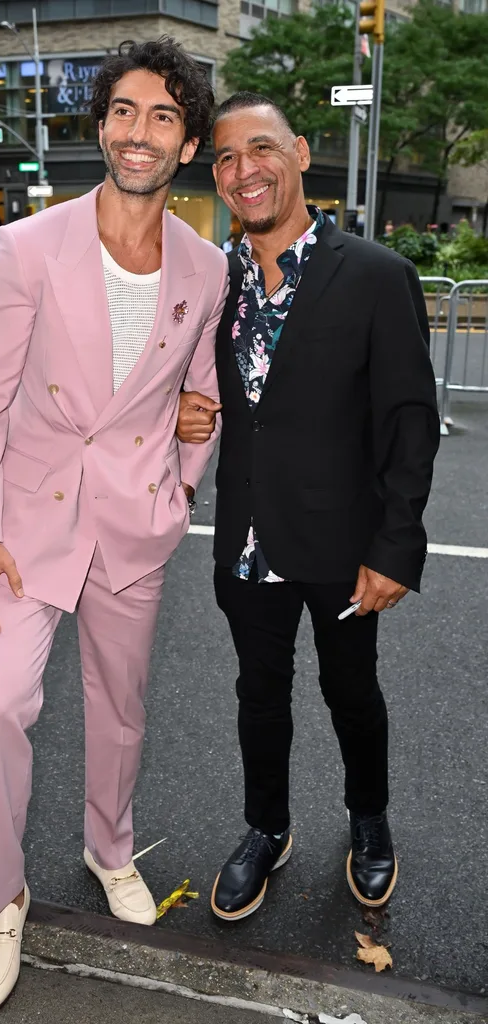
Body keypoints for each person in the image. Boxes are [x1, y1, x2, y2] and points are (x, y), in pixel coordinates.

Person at [0, 37, 226, 1011]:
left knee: (121, 711)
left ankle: (110, 846)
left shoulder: (207, 265)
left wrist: (187, 471)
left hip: (133, 524)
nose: (137, 131)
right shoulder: (26, 246)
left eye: (160, 116)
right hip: (24, 526)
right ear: (100, 126)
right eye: (122, 111)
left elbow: (203, 394)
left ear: (186, 142)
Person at [177, 92, 439, 923]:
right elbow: (199, 387)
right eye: (224, 158)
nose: (243, 170)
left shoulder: (374, 275)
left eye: (259, 150)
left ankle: (369, 820)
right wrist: (179, 408)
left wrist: (395, 547)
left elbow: (409, 423)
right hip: (247, 543)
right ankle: (267, 827)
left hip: (342, 543)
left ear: (297, 154)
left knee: (351, 691)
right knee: (260, 694)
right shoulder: (215, 281)